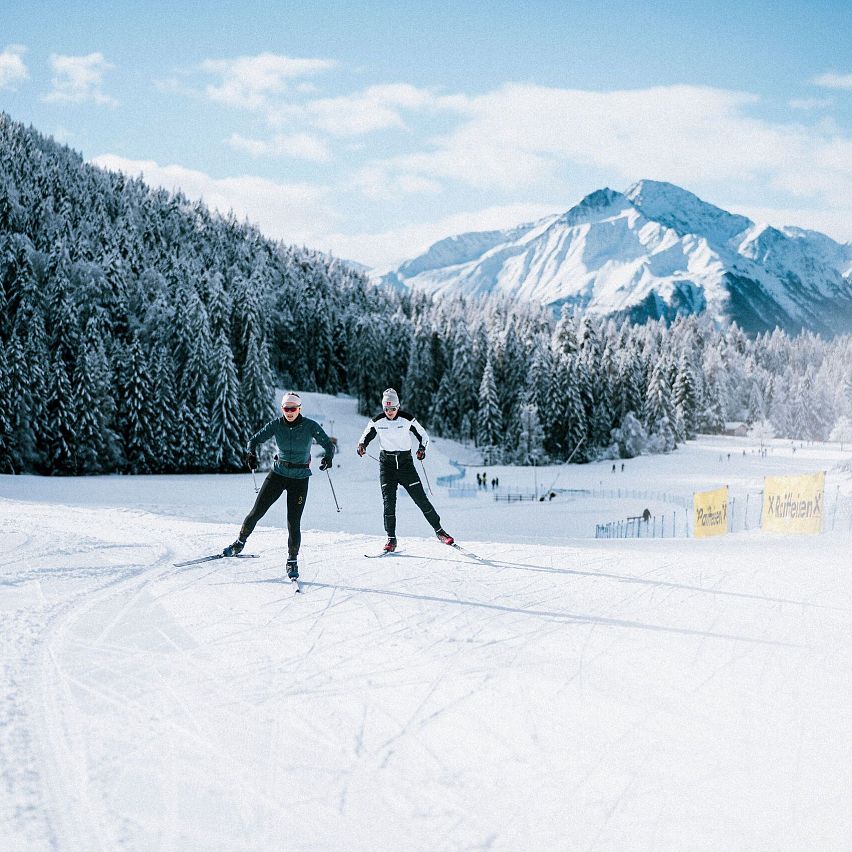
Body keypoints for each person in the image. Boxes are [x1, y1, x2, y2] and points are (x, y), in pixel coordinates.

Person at [223, 391, 334, 579]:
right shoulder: (277, 424)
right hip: (278, 474)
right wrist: (251, 454)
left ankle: (292, 561)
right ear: (282, 409)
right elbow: (254, 440)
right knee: (256, 512)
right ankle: (239, 543)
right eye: (286, 408)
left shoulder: (310, 426)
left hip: (299, 479)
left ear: (299, 409)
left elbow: (327, 444)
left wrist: (328, 458)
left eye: (293, 408)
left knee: (293, 522)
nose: (289, 412)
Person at [357, 388, 454, 552]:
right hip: (386, 466)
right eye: (386, 409)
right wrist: (362, 446)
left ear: (398, 407)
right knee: (388, 504)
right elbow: (365, 436)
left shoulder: (407, 419)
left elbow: (423, 435)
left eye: (393, 409)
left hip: (405, 464)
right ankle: (391, 539)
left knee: (421, 499)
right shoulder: (377, 421)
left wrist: (422, 449)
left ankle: (439, 531)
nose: (389, 412)